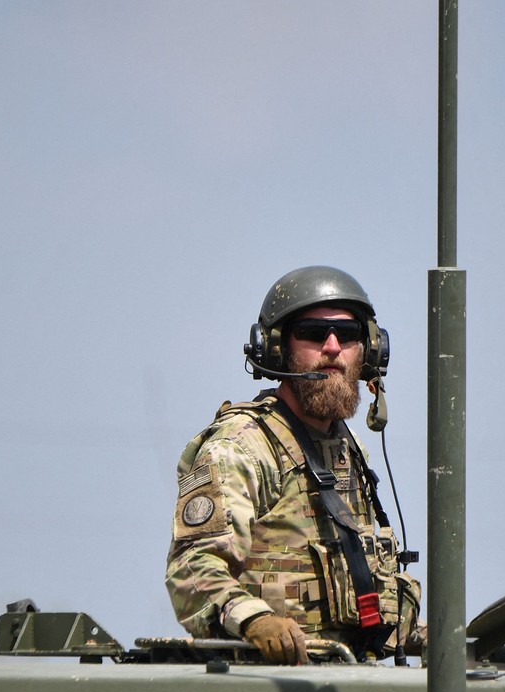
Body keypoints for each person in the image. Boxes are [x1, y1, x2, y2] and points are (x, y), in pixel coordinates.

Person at [165, 265, 424, 665]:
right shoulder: (243, 447)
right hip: (266, 684)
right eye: (314, 333)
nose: (334, 347)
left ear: (370, 350)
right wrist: (256, 622)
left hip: (349, 678)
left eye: (349, 334)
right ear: (277, 347)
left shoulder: (347, 450)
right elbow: (192, 570)